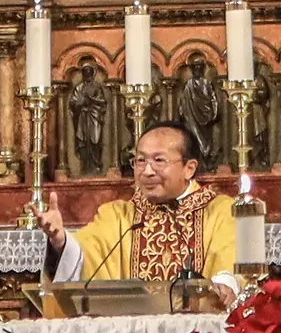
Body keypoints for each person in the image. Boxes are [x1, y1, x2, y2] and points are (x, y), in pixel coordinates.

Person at [33, 121, 239, 306]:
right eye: (140, 161)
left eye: (159, 160)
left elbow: (230, 260)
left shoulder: (220, 211)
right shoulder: (117, 216)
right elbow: (86, 252)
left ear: (189, 168)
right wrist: (60, 241)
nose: (147, 171)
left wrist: (223, 285)